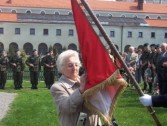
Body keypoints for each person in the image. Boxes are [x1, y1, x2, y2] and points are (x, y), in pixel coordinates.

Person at [50, 50, 100, 126]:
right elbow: (66, 107)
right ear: (61, 68)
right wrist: (81, 90)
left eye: (76, 65)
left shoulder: (86, 81)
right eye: (70, 65)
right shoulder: (57, 87)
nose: (74, 68)